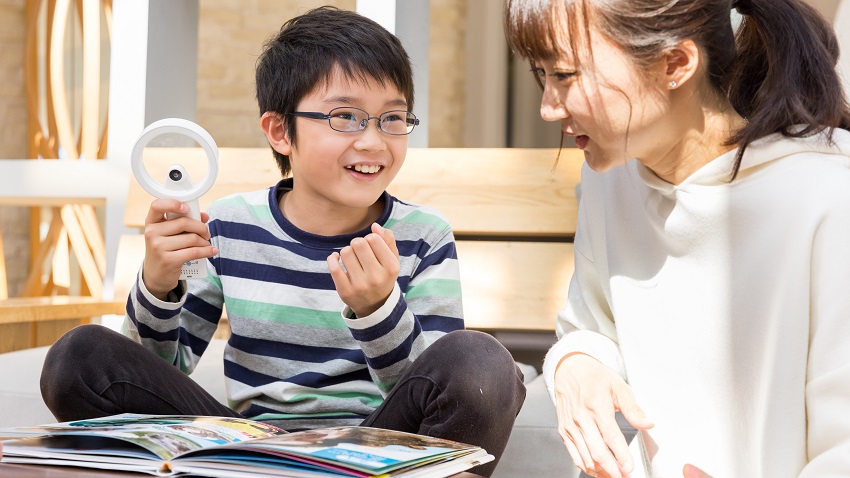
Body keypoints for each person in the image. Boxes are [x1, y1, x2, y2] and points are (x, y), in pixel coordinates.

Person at [39, 6, 525, 477]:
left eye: (392, 118)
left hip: (380, 452)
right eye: (345, 117)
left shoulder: (423, 235)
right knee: (78, 357)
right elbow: (160, 369)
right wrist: (160, 287)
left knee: (481, 362)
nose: (375, 141)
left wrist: (379, 311)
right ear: (279, 132)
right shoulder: (228, 226)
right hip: (250, 451)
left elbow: (437, 389)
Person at [504, 0, 850, 477]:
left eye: (564, 74)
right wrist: (577, 364)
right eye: (540, 73)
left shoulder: (829, 198)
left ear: (675, 64)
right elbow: (590, 325)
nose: (547, 107)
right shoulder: (612, 179)